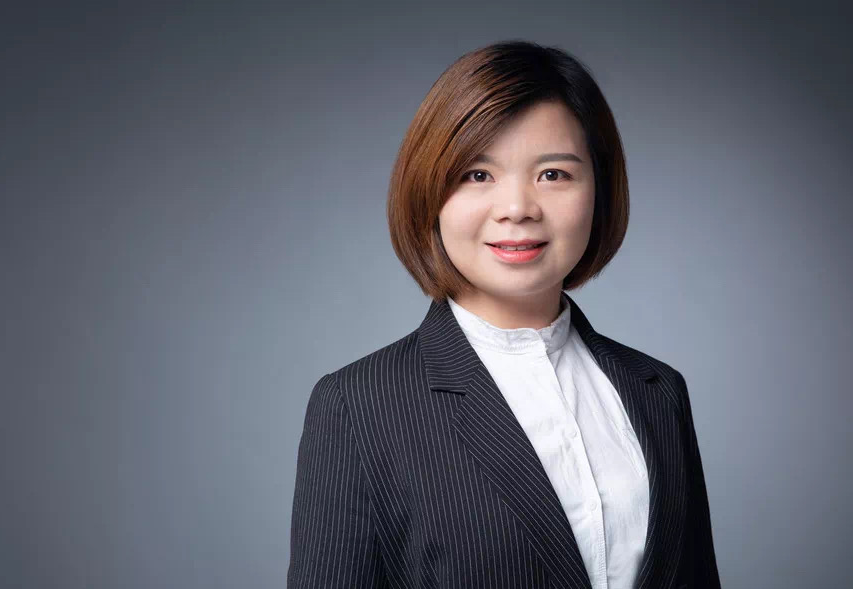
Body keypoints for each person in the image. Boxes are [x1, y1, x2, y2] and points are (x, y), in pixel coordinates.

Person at [287, 39, 721, 589]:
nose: (517, 208)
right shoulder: (358, 406)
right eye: (478, 175)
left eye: (553, 174)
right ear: (428, 193)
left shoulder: (658, 391)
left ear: (600, 191)